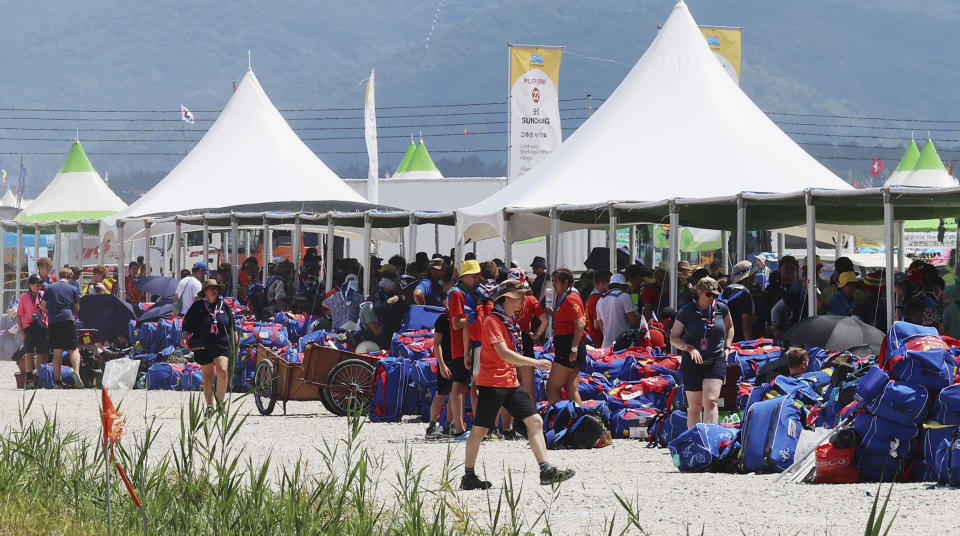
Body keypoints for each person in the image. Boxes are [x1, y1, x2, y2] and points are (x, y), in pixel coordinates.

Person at [461, 279, 575, 490]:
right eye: (520, 296)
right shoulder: (493, 321)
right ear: (507, 298)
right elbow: (504, 353)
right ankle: (468, 475)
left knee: (535, 422)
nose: (523, 300)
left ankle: (546, 470)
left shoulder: (509, 319)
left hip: (510, 382)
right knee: (480, 430)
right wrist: (536, 363)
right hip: (493, 384)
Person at [669, 277, 733, 429]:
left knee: (711, 401)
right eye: (708, 294)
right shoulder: (687, 311)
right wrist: (688, 347)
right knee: (695, 406)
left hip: (715, 359)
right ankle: (695, 440)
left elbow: (729, 327)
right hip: (692, 362)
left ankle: (711, 439)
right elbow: (674, 337)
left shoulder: (722, 308)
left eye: (715, 295)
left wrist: (727, 347)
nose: (712, 298)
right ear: (699, 292)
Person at [182, 279, 237, 415]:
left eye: (216, 288)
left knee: (223, 371)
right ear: (205, 292)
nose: (215, 291)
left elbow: (232, 327)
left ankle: (220, 403)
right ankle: (210, 406)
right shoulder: (197, 307)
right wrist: (184, 337)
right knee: (208, 377)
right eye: (212, 288)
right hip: (203, 345)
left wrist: (236, 344)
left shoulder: (224, 306)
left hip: (221, 344)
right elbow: (186, 324)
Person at [446, 260, 483, 438]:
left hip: (464, 345)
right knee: (459, 387)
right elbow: (455, 323)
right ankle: (459, 428)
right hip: (460, 346)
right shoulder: (457, 294)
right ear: (465, 276)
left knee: (460, 386)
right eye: (474, 275)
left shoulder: (462, 292)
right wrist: (474, 318)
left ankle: (457, 427)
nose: (477, 278)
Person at [508, 268, 548, 408]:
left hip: (508, 338)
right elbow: (545, 321)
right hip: (525, 338)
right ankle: (530, 420)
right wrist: (536, 335)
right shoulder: (530, 298)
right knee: (528, 388)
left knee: (508, 387)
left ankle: (509, 425)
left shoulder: (504, 298)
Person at [546, 268, 586, 405]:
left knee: (552, 388)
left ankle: (558, 420)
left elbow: (580, 324)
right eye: (553, 281)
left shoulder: (570, 299)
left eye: (556, 281)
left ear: (566, 283)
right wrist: (554, 315)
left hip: (568, 347)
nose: (554, 285)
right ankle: (578, 421)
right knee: (571, 390)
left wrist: (573, 350)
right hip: (568, 346)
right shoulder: (562, 297)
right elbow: (568, 320)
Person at [41, 267, 83, 389]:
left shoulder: (49, 288)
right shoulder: (73, 289)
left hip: (54, 321)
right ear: (70, 277)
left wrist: (52, 311)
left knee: (57, 351)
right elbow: (76, 309)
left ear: (60, 276)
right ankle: (76, 372)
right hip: (68, 320)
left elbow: (43, 306)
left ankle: (58, 381)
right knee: (73, 349)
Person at [426, 296, 454, 439]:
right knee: (442, 392)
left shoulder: (461, 318)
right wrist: (442, 365)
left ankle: (450, 424)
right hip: (446, 360)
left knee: (455, 392)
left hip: (458, 359)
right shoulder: (442, 319)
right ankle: (431, 425)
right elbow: (436, 344)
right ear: (445, 302)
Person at [596, 273, 647, 349]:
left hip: (606, 346)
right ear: (621, 285)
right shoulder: (624, 296)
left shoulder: (600, 301)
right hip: (622, 345)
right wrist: (642, 317)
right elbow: (633, 321)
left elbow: (601, 327)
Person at [17, 274, 49, 388]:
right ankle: (29, 379)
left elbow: (47, 310)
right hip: (29, 327)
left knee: (42, 353)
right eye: (37, 284)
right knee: (29, 353)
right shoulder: (24, 297)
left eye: (40, 284)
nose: (39, 286)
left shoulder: (42, 295)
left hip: (41, 326)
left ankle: (40, 379)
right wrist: (21, 330)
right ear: (30, 285)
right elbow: (19, 315)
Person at [722, 261, 758, 342]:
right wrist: (749, 345)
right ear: (747, 278)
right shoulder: (744, 294)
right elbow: (746, 325)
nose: (754, 277)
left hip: (724, 338)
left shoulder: (725, 291)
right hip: (738, 340)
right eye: (752, 275)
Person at [372, 269, 408, 347]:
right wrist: (388, 302)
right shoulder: (379, 294)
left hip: (397, 327)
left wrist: (402, 300)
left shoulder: (397, 293)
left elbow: (404, 308)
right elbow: (378, 308)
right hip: (384, 328)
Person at [585, 270, 610, 346]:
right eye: (609, 284)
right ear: (603, 283)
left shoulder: (592, 296)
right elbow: (597, 324)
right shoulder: (597, 298)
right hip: (598, 340)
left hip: (592, 336)